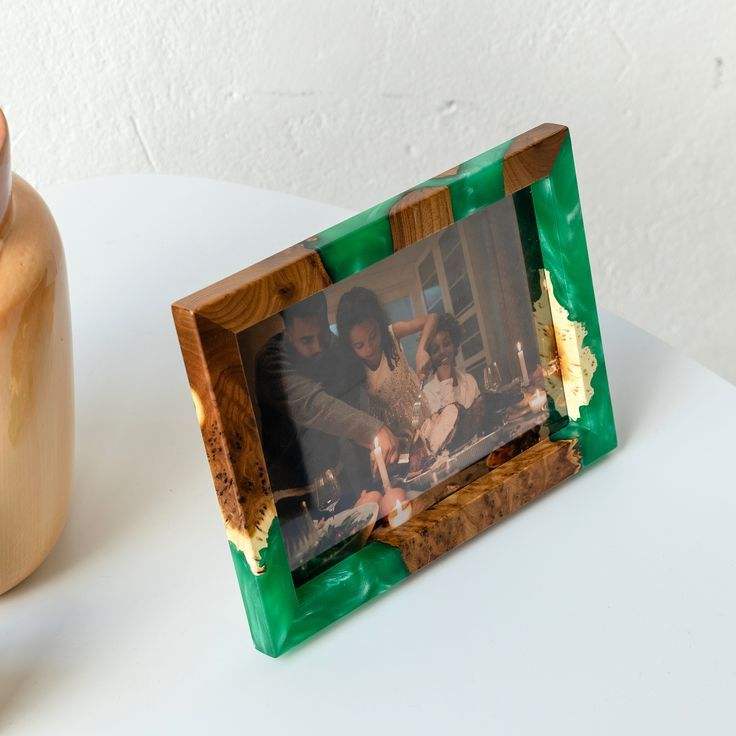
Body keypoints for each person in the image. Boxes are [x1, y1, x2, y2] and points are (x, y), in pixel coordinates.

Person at [254, 292, 400, 509]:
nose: (319, 347)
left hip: (339, 481)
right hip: (294, 498)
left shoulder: (334, 347)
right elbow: (314, 406)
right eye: (307, 340)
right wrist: (374, 430)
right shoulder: (270, 361)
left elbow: (353, 402)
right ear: (288, 333)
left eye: (323, 334)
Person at [336, 286, 438, 446]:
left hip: (423, 418)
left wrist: (422, 349)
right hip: (397, 438)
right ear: (349, 346)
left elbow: (432, 318)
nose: (369, 348)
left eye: (373, 336)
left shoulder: (392, 334)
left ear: (380, 325)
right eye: (359, 345)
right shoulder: (354, 369)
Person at [423, 312, 484, 433]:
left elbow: (481, 422)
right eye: (435, 349)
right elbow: (449, 431)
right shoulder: (427, 395)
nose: (442, 351)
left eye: (446, 344)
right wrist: (445, 382)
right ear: (430, 357)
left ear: (455, 346)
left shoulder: (469, 380)